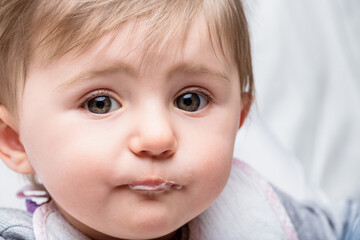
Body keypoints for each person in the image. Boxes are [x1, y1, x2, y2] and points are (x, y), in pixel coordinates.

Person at [0, 0, 357, 239]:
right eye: (101, 104)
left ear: (238, 121)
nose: (157, 137)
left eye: (190, 100)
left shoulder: (255, 211)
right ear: (15, 140)